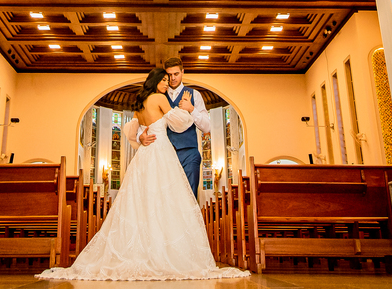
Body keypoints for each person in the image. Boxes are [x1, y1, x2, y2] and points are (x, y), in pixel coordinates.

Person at [36, 67, 248, 281]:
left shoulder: (138, 107)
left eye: (169, 79)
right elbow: (180, 124)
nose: (167, 84)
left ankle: (142, 251)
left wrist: (140, 140)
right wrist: (187, 109)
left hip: (144, 155)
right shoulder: (159, 98)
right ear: (155, 82)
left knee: (142, 203)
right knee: (168, 202)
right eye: (164, 80)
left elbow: (133, 133)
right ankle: (164, 254)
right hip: (162, 152)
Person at [136, 56, 211, 196]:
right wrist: (140, 137)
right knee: (165, 198)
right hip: (163, 155)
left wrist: (191, 109)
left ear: (183, 72)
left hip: (188, 153)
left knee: (189, 197)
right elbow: (143, 124)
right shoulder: (156, 96)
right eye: (169, 75)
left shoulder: (195, 94)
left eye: (176, 74)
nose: (172, 78)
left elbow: (207, 127)